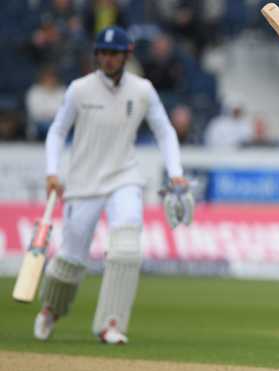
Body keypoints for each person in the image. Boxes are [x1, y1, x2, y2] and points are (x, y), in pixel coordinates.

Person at [34, 26, 194, 345]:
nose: (108, 59)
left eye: (115, 54)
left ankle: (110, 323)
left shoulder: (143, 89)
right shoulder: (79, 89)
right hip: (83, 183)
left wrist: (175, 171)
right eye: (104, 53)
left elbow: (164, 131)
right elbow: (57, 131)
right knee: (70, 260)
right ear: (97, 55)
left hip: (125, 178)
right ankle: (51, 309)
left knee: (126, 250)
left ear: (126, 55)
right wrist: (52, 172)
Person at [25, 65, 66, 140]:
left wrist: (50, 114)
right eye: (47, 77)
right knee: (50, 127)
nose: (50, 80)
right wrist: (52, 114)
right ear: (42, 78)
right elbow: (35, 112)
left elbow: (65, 111)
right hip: (39, 124)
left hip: (59, 123)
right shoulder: (34, 91)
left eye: (53, 77)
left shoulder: (62, 91)